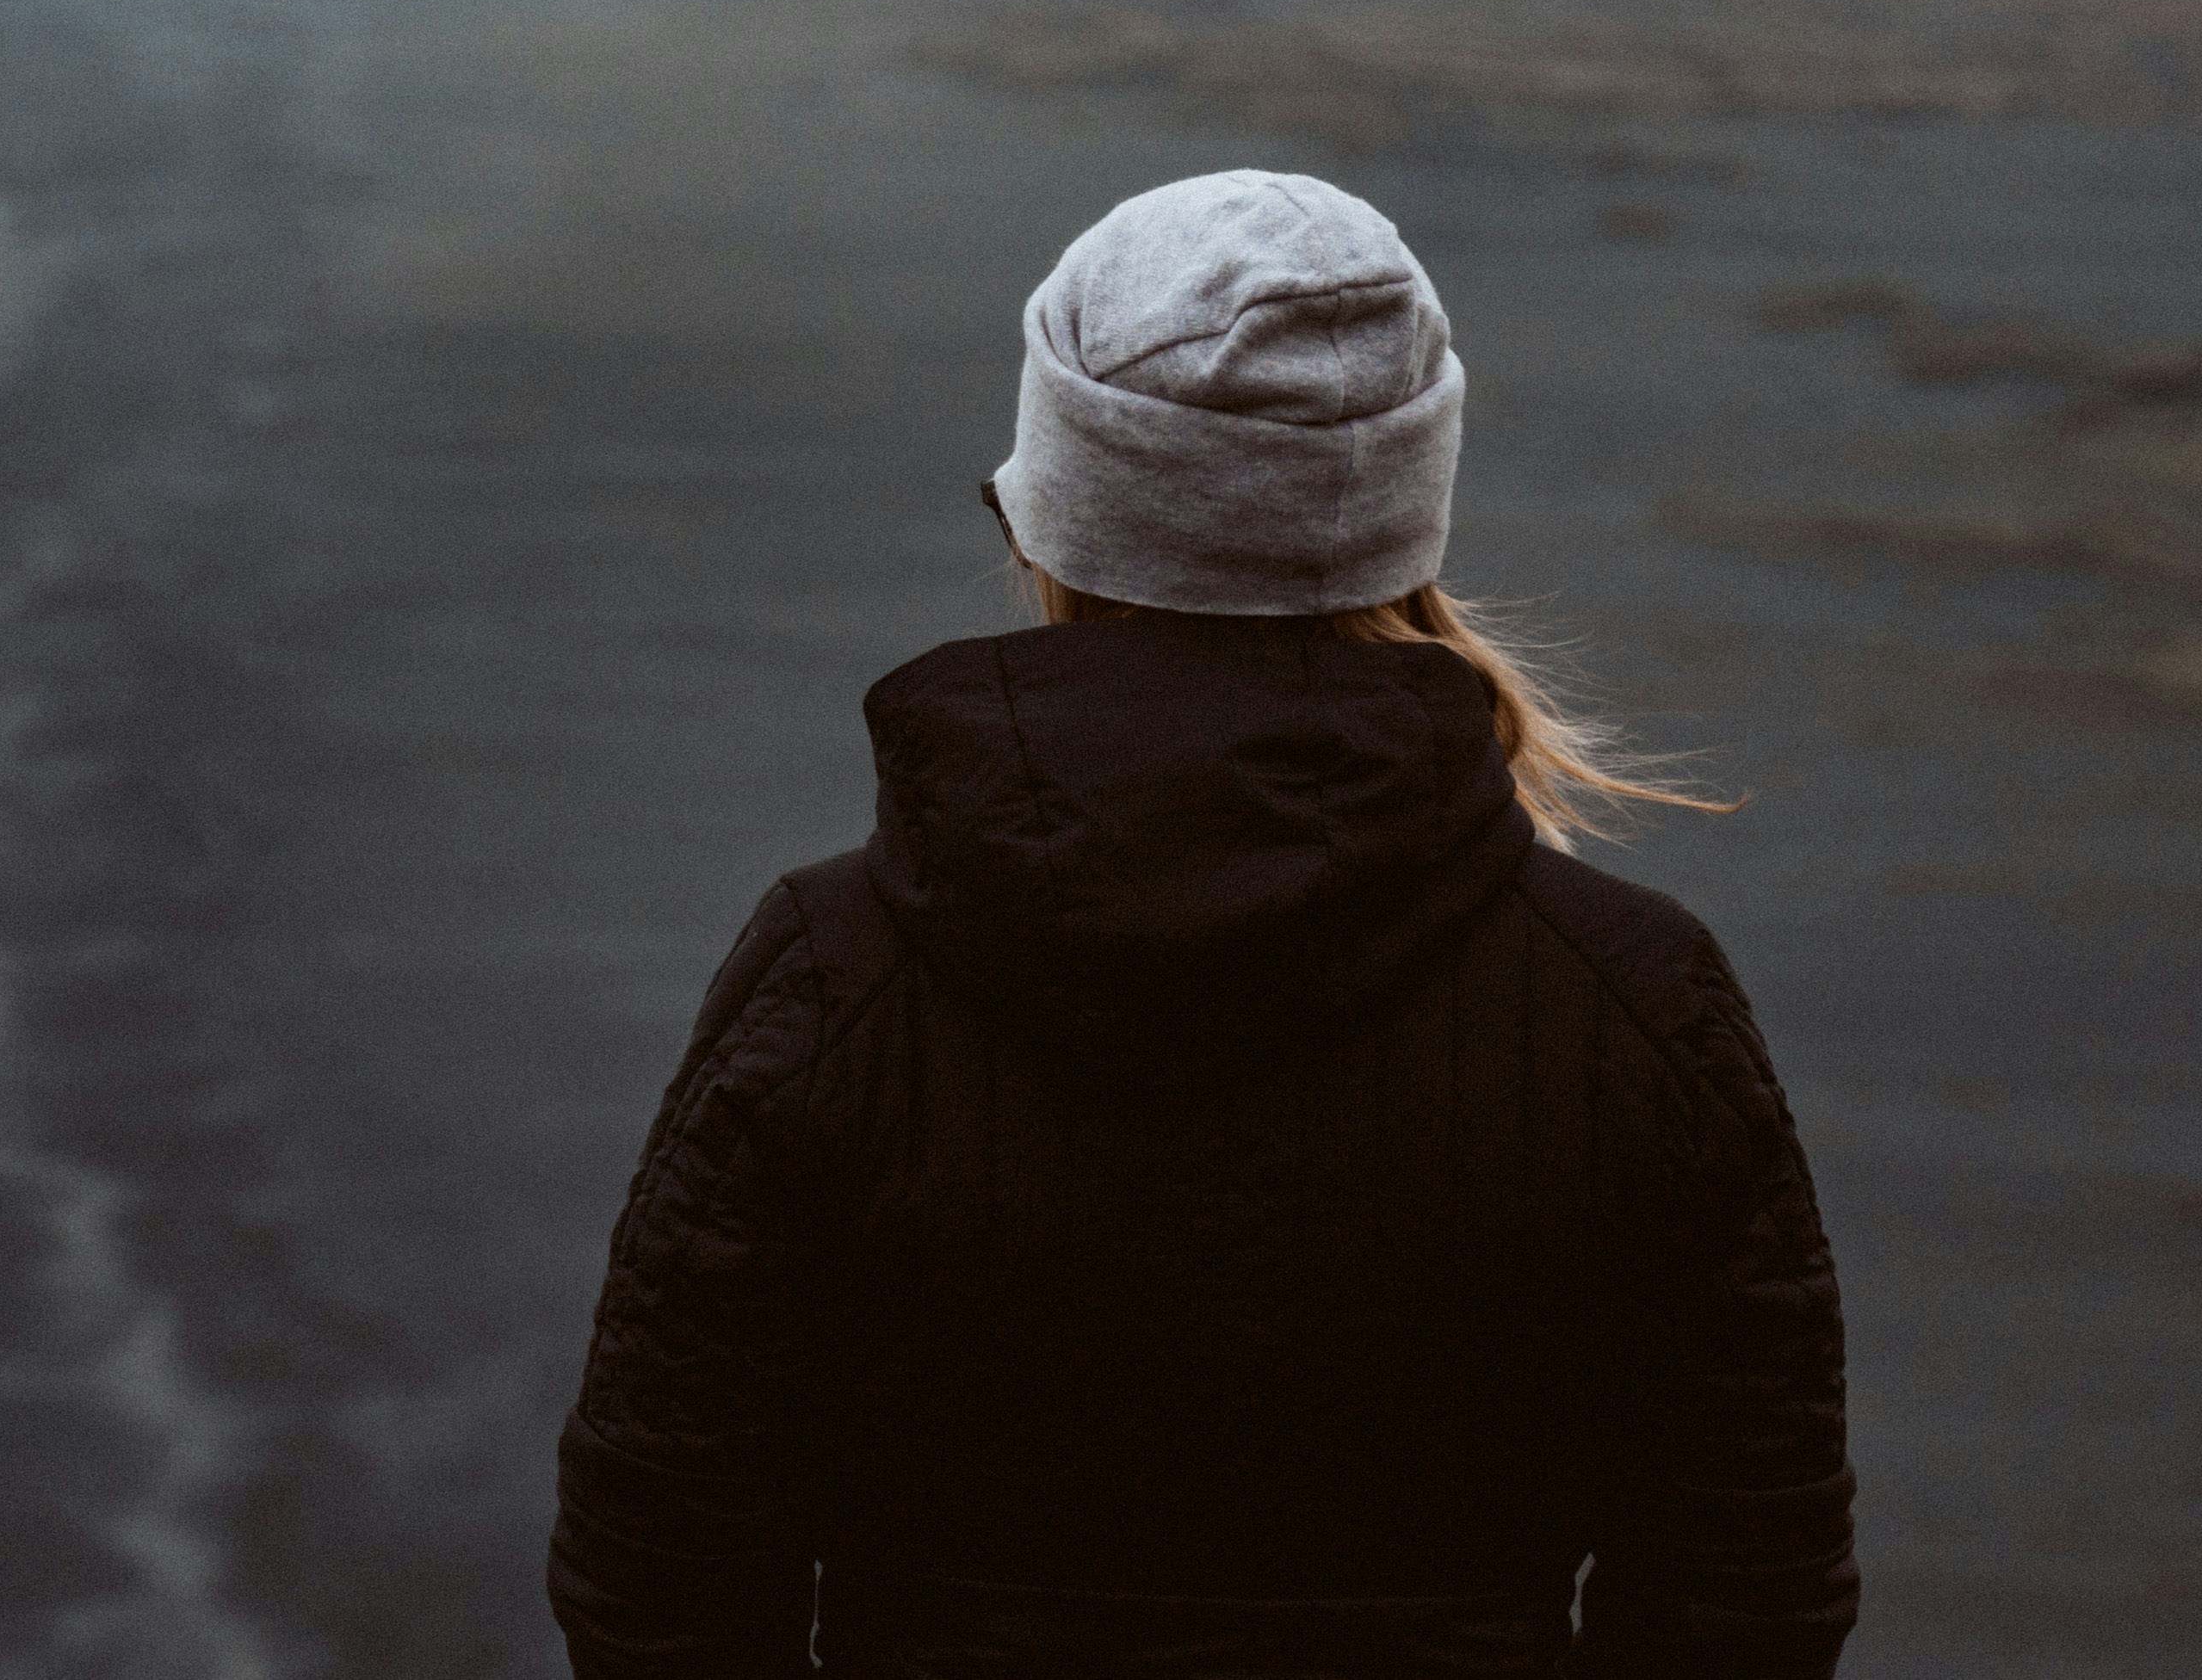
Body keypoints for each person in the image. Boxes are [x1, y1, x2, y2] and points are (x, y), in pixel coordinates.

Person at [550, 170, 1857, 1677]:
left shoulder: (834, 986)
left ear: (1059, 524)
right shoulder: (1637, 1010)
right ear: (1407, 522)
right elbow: (1747, 1594)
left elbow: (659, 1579)